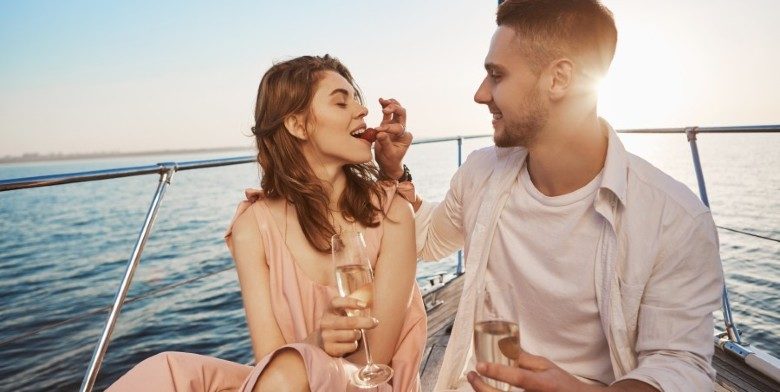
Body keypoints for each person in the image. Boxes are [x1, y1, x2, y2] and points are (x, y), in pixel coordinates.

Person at [375, 1, 724, 391]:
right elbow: (426, 239)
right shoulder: (479, 173)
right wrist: (392, 172)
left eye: (496, 75)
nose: (480, 93)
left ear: (559, 78)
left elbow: (679, 367)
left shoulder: (674, 218)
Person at [108, 54, 426, 392]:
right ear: (297, 125)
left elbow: (374, 362)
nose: (362, 111)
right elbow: (269, 359)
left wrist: (311, 357)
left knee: (288, 373)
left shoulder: (393, 215)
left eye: (358, 100)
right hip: (283, 382)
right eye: (340, 102)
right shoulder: (253, 227)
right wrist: (317, 341)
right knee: (166, 371)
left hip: (365, 385)